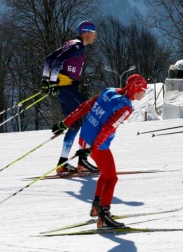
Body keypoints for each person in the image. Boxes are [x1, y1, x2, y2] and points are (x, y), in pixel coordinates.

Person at [52, 74, 148, 228]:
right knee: (112, 178)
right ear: (135, 88)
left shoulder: (110, 91)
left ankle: (97, 207)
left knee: (105, 173)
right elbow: (108, 129)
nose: (144, 94)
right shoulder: (125, 107)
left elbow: (86, 105)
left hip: (86, 137)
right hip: (98, 144)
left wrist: (66, 122)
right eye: (143, 90)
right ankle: (104, 216)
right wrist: (92, 149)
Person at [42, 21, 98, 174]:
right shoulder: (78, 46)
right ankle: (83, 161)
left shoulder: (72, 44)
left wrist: (46, 81)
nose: (95, 35)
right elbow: (58, 61)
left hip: (65, 89)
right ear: (86, 32)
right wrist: (52, 82)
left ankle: (62, 164)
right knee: (86, 120)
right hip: (68, 88)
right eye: (94, 32)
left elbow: (49, 58)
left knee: (74, 124)